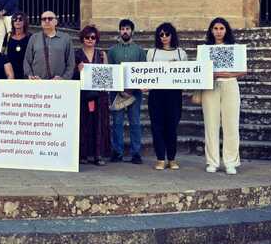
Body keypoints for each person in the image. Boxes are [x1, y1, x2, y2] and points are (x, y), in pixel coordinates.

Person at [202, 17, 245, 175]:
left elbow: (243, 70)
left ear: (226, 30)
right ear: (211, 31)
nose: (218, 31)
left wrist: (226, 74)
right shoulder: (206, 49)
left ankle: (230, 162)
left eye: (221, 28)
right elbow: (201, 70)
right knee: (211, 124)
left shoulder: (234, 48)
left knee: (231, 124)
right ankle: (212, 161)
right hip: (210, 87)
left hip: (230, 85)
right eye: (215, 28)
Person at [147, 22, 188, 171]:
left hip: (174, 94)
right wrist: (145, 84)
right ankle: (159, 158)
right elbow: (147, 72)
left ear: (172, 35)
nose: (164, 37)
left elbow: (186, 74)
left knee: (172, 127)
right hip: (156, 93)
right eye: (161, 35)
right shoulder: (152, 53)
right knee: (157, 126)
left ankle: (172, 158)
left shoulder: (180, 53)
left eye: (167, 34)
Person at [107, 19, 147, 164]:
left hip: (134, 93)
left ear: (132, 31)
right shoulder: (112, 51)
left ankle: (136, 153)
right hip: (117, 93)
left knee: (135, 122)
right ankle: (117, 152)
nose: (125, 31)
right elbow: (110, 72)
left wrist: (133, 89)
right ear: (119, 31)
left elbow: (143, 72)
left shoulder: (140, 51)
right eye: (123, 29)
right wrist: (119, 89)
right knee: (117, 123)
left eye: (128, 29)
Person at [73, 25, 111, 165]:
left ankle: (98, 155)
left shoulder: (102, 54)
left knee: (99, 124)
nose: (90, 40)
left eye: (93, 37)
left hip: (99, 95)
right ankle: (83, 155)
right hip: (83, 95)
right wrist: (78, 69)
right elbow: (72, 75)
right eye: (87, 37)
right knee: (84, 124)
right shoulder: (76, 54)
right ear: (82, 39)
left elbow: (107, 74)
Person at [23, 11, 74, 80]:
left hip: (59, 85)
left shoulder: (65, 38)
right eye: (44, 19)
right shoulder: (34, 38)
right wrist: (31, 76)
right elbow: (27, 60)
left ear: (56, 22)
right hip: (37, 83)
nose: (47, 21)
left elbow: (71, 62)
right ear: (41, 22)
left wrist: (63, 78)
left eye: (50, 19)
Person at [5, 11, 31, 80]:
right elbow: (3, 53)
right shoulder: (8, 36)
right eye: (15, 19)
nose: (17, 21)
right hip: (11, 70)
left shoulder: (30, 37)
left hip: (26, 71)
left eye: (20, 19)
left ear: (25, 22)